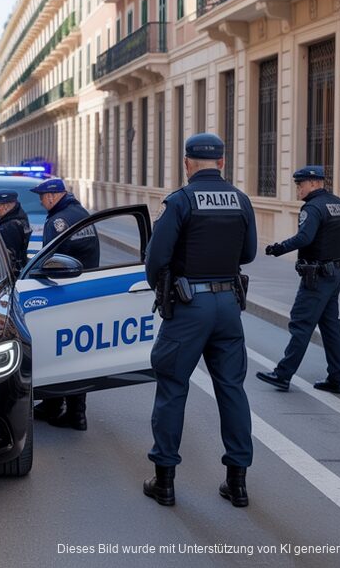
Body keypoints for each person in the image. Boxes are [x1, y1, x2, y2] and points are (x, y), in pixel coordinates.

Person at [142, 133, 257, 508]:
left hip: (190, 307)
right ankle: (237, 483)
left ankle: (165, 482)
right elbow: (250, 253)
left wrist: (163, 287)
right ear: (222, 162)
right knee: (232, 390)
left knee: (173, 388)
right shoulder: (240, 200)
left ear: (187, 162)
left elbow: (155, 259)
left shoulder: (180, 201)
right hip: (228, 305)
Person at [257, 166, 340, 395]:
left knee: (301, 324)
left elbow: (304, 237)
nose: (298, 189)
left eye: (300, 184)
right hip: (335, 272)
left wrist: (278, 248)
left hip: (317, 277)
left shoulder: (313, 207)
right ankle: (337, 379)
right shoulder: (339, 204)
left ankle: (283, 374)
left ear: (314, 183)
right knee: (331, 327)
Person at [30, 177, 99, 431]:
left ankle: (67, 411)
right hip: (87, 292)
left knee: (57, 351)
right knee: (77, 354)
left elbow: (48, 260)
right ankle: (68, 409)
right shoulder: (81, 213)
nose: (40, 201)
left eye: (42, 197)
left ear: (52, 196)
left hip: (63, 293)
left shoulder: (56, 221)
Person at [0, 189, 31, 276]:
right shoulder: (19, 219)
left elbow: (9, 256)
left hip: (10, 273)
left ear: (5, 207)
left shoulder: (9, 227)